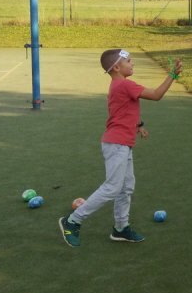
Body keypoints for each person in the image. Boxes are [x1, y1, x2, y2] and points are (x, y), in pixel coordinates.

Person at [59, 49, 183, 248]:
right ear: (116, 67)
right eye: (129, 61)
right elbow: (156, 95)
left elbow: (122, 110)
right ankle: (73, 220)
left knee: (126, 188)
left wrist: (139, 125)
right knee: (112, 187)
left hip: (122, 143)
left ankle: (120, 228)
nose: (132, 63)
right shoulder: (125, 84)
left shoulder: (118, 85)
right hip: (116, 144)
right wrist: (173, 75)